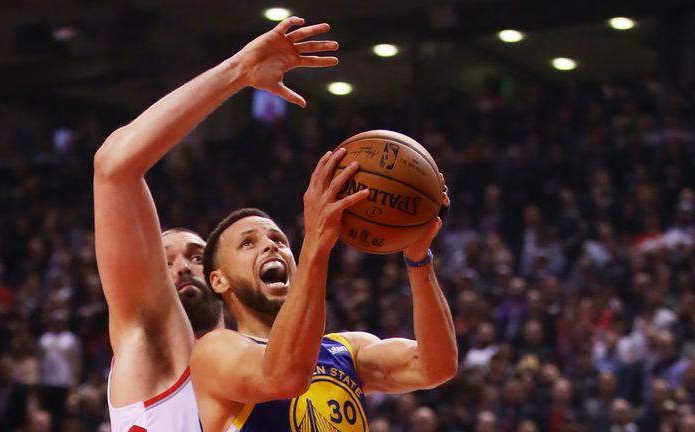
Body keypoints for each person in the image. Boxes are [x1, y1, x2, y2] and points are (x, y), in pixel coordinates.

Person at [93, 16, 342, 431]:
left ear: (221, 277)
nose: (180, 267)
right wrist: (239, 70)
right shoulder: (150, 340)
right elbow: (114, 166)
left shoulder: (249, 369)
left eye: (194, 257)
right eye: (165, 260)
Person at [191, 171, 457, 428]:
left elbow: (436, 367)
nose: (271, 246)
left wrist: (418, 256)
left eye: (278, 240)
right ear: (218, 280)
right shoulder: (215, 350)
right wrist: (316, 243)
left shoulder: (347, 349)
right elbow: (283, 377)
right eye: (247, 243)